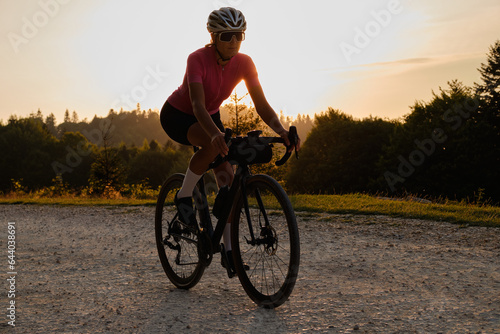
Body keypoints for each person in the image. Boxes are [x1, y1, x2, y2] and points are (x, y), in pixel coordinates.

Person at [160, 7, 300, 272]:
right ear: (213, 36)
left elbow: (261, 104)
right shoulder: (196, 59)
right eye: (226, 36)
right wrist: (214, 134)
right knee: (214, 147)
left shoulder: (245, 63)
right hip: (179, 115)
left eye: (239, 35)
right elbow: (197, 105)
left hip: (210, 118)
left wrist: (281, 130)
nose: (233, 41)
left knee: (228, 180)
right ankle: (184, 195)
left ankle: (228, 251)